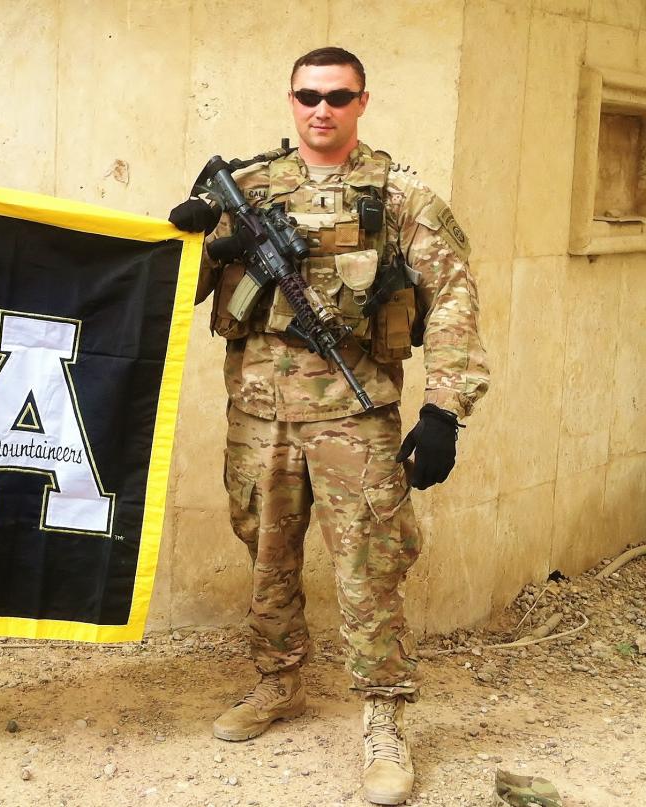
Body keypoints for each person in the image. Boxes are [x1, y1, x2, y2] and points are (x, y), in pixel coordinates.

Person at [168, 46, 488, 806]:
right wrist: (198, 239)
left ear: (362, 102)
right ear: (290, 99)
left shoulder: (401, 196)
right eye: (309, 95)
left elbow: (454, 300)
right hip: (259, 416)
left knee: (371, 569)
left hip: (356, 416)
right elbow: (174, 289)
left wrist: (445, 409)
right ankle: (277, 682)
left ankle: (383, 718)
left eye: (338, 97)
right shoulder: (243, 188)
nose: (322, 110)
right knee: (269, 557)